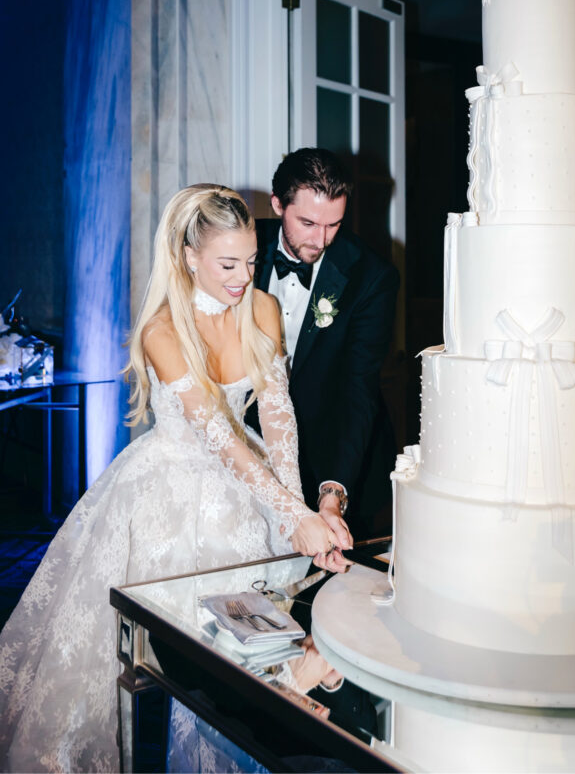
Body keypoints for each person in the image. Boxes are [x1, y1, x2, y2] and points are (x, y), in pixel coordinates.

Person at [0, 184, 345, 774]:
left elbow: (279, 424)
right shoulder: (163, 330)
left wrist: (299, 515)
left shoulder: (262, 310)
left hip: (249, 486)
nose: (243, 277)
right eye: (227, 264)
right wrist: (290, 514)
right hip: (168, 495)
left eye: (251, 262)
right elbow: (220, 439)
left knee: (252, 648)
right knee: (178, 662)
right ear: (189, 255)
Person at [254, 149, 400, 543]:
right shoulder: (241, 250)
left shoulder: (372, 278)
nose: (321, 240)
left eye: (333, 224)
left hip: (332, 456)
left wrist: (333, 492)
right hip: (249, 451)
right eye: (307, 222)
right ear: (277, 204)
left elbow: (358, 389)